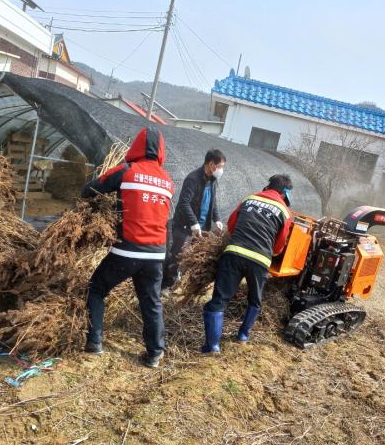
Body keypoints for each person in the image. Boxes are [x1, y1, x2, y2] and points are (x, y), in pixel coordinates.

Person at [81, 128, 173, 368]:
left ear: (137, 146)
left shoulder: (126, 171)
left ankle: (94, 341)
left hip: (127, 251)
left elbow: (90, 189)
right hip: (156, 253)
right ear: (161, 151)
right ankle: (154, 354)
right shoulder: (167, 180)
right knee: (151, 302)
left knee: (96, 288)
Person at [201, 174, 294, 353]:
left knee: (219, 300)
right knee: (254, 300)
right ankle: (243, 336)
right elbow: (280, 244)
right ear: (284, 194)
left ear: (268, 187)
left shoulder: (250, 199)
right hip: (260, 261)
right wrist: (269, 251)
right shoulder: (285, 212)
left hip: (234, 253)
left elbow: (232, 225)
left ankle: (212, 346)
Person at [162, 149, 226, 288]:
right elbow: (184, 202)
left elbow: (212, 202)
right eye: (220, 166)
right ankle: (166, 286)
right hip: (184, 226)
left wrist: (217, 219)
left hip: (201, 227)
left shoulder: (213, 181)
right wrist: (193, 223)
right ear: (211, 164)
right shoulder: (193, 179)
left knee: (192, 256)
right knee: (177, 255)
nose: (221, 170)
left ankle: (181, 284)